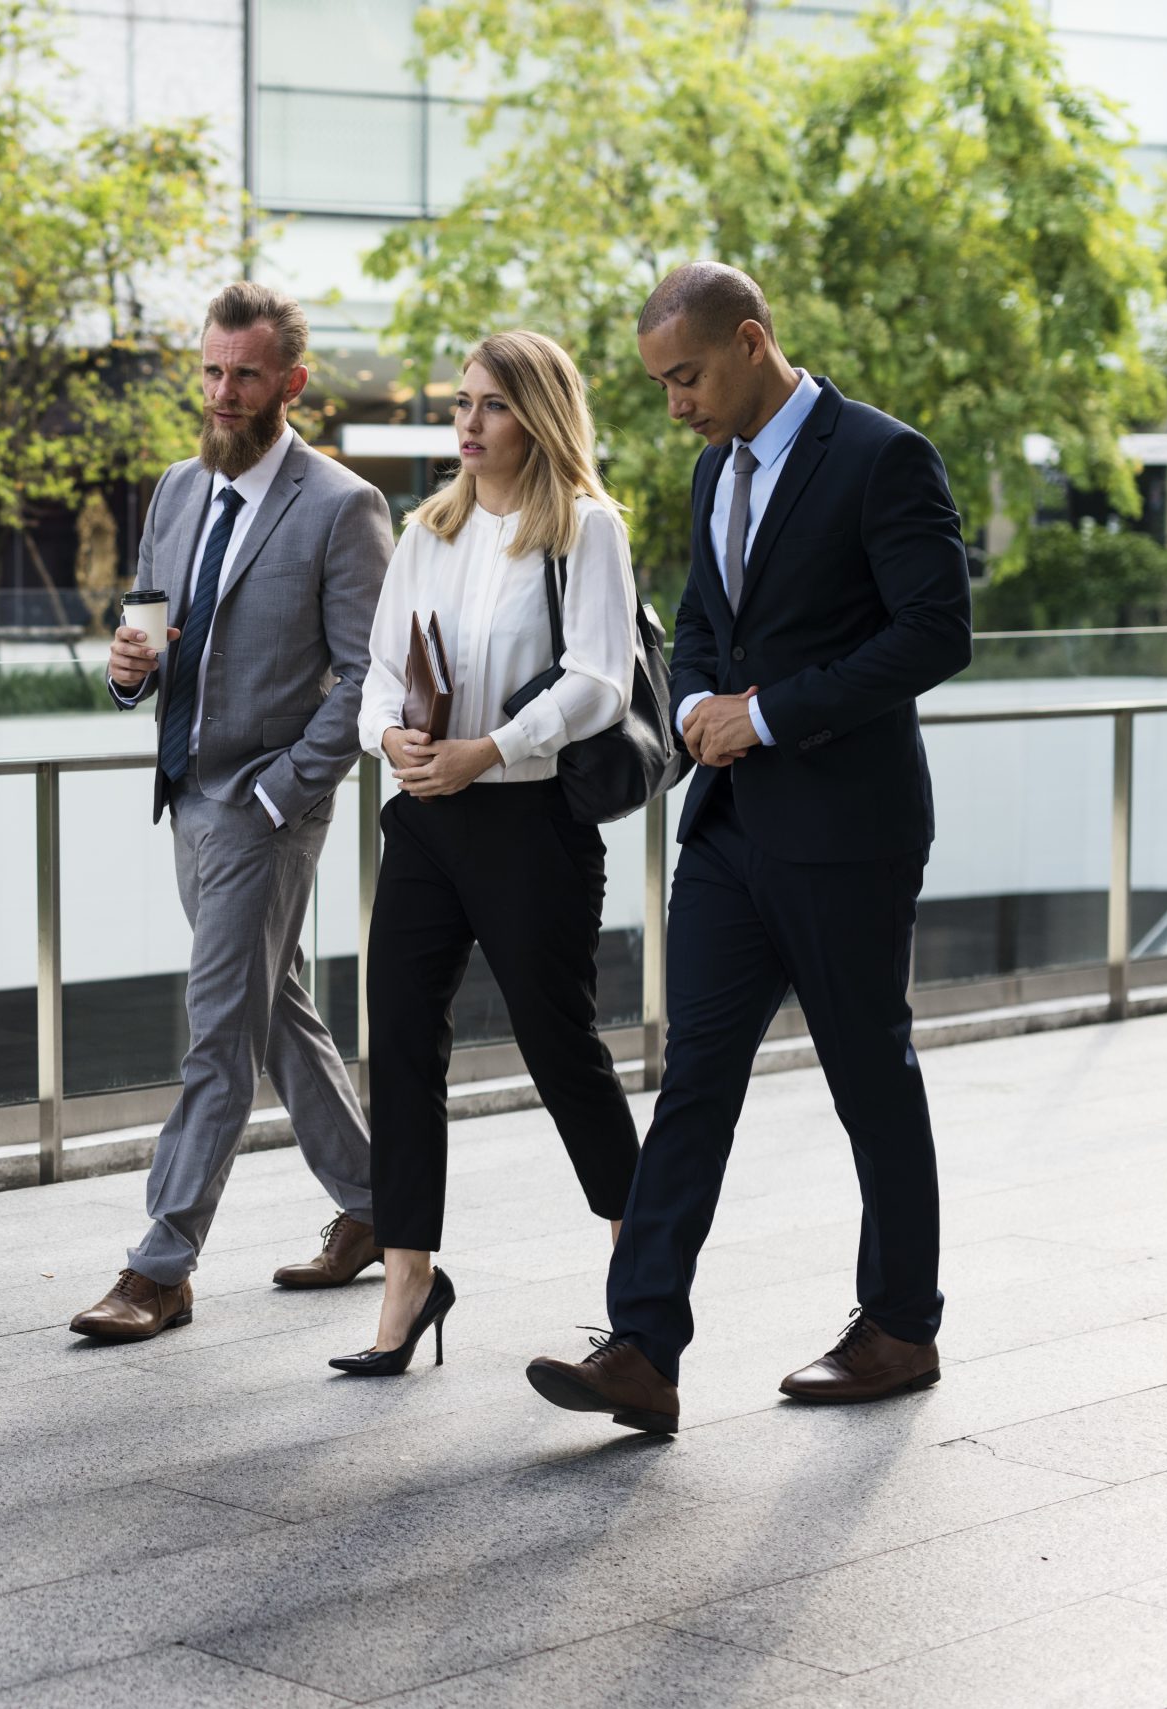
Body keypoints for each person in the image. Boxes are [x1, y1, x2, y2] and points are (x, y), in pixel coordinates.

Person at [526, 263, 972, 1434]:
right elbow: (702, 623)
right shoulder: (710, 468)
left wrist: (765, 714)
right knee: (692, 1083)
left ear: (750, 341)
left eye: (686, 377)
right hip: (728, 830)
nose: (674, 403)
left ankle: (900, 1325)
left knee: (869, 1079)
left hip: (846, 832)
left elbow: (936, 630)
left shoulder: (882, 456)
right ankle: (641, 1348)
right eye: (660, 385)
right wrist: (693, 703)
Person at [70, 281, 391, 1340]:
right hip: (187, 794)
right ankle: (376, 1204)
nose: (220, 392)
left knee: (217, 1033)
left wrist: (280, 788)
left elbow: (366, 676)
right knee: (272, 1008)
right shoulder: (175, 488)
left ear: (290, 383)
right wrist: (127, 671)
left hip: (264, 807)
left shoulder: (342, 506)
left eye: (243, 375)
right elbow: (151, 633)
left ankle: (160, 1266)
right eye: (210, 370)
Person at [331, 331, 642, 1377]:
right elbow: (379, 670)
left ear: (539, 417)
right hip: (426, 820)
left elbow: (600, 680)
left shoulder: (585, 529)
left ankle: (640, 1275)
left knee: (560, 1047)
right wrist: (392, 737)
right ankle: (409, 1278)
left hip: (529, 821)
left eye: (493, 404)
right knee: (399, 1039)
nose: (468, 423)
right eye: (462, 402)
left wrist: (491, 749)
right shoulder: (429, 529)